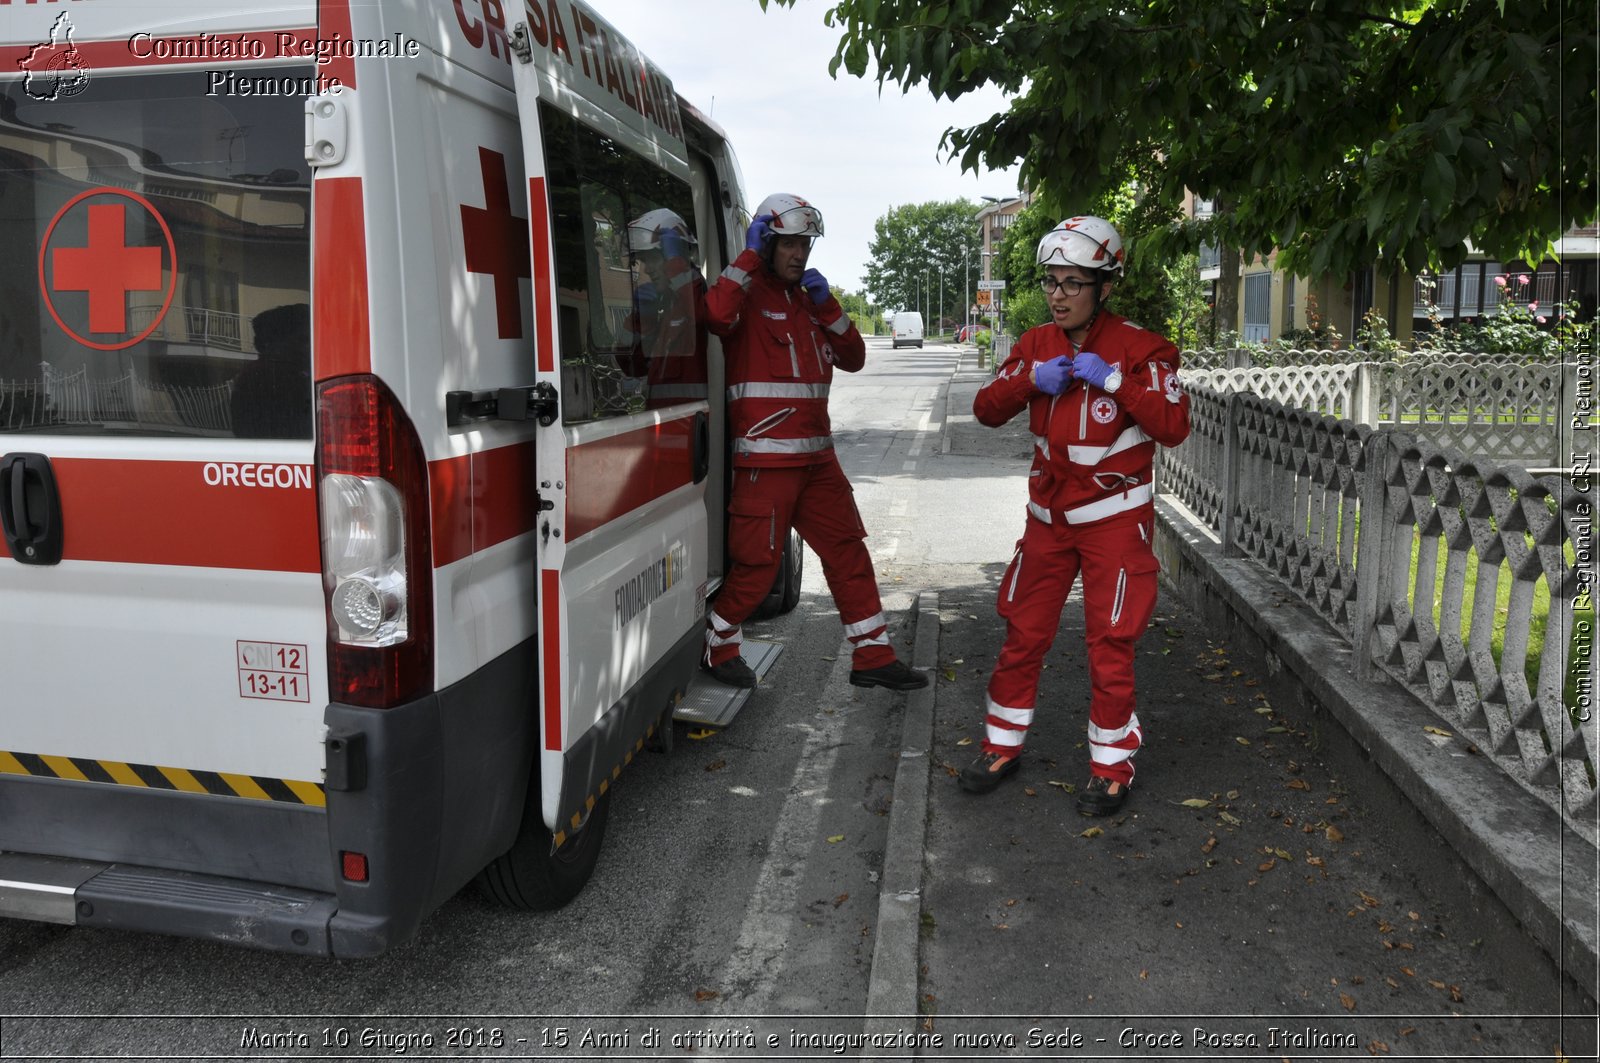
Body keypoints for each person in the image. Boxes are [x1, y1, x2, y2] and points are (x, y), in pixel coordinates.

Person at [960, 216, 1191, 815]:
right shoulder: (1036, 344)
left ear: (1105, 286)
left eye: (1072, 283)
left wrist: (1116, 381)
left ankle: (1112, 765)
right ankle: (1000, 746)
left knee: (1110, 643)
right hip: (1047, 521)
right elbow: (986, 410)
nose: (1058, 294)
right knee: (1023, 632)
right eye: (1051, 282)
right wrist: (1028, 381)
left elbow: (1174, 426)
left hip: (1114, 520)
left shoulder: (1145, 348)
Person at [699, 192, 927, 693]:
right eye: (789, 244)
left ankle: (873, 655)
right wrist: (748, 258)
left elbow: (855, 357)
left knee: (848, 552)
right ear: (766, 241)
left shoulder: (808, 298)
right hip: (765, 463)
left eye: (806, 243)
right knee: (757, 571)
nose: (800, 253)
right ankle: (719, 643)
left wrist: (827, 304)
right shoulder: (744, 294)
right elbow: (713, 316)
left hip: (818, 461)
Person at [618, 207, 709, 409]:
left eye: (652, 258)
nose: (646, 269)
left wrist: (677, 266)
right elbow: (632, 367)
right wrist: (641, 319)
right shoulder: (665, 305)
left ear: (675, 255)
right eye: (643, 260)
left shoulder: (699, 296)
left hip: (694, 428)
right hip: (663, 426)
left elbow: (703, 316)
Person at [231, 303, 312, 439]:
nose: (309, 347)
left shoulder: (253, 374)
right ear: (276, 342)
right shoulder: (272, 376)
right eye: (303, 340)